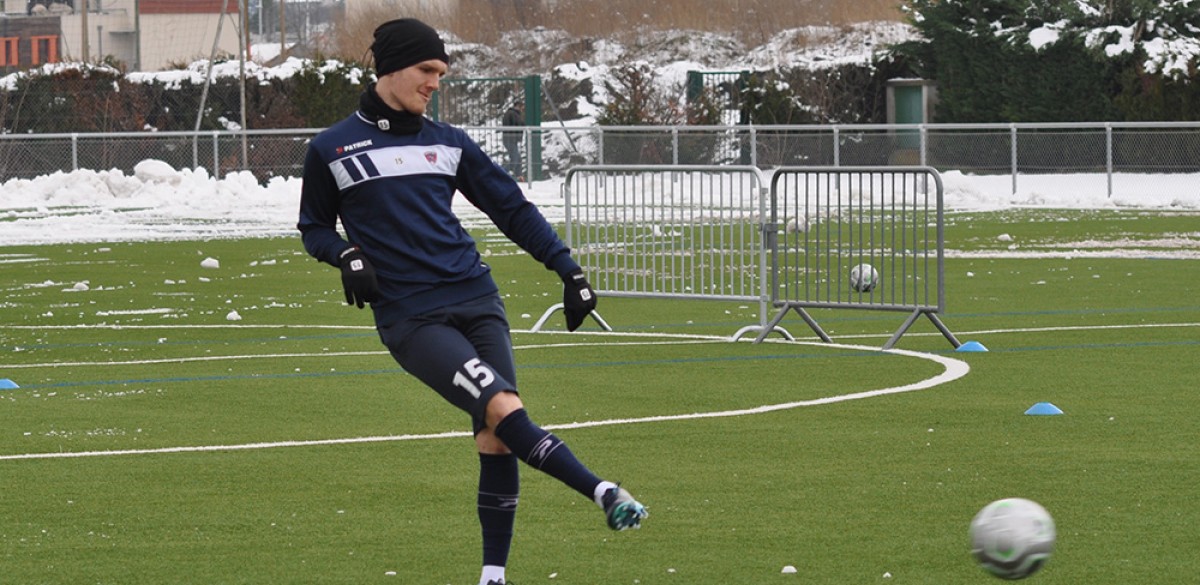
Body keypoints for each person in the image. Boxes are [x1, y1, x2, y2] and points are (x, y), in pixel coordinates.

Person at [296, 17, 647, 585]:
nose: (435, 83)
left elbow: (511, 208)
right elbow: (313, 227)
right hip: (411, 317)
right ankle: (603, 491)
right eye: (426, 70)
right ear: (391, 68)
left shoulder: (449, 141)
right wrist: (345, 254)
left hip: (477, 299)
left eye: (441, 72)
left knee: (496, 437)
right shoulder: (332, 147)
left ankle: (493, 575)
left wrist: (569, 269)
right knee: (503, 408)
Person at [501, 100, 524, 180]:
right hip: (510, 139)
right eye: (522, 108)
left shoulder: (514, 114)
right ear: (518, 106)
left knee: (518, 158)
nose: (522, 110)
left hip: (512, 139)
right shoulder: (512, 114)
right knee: (515, 158)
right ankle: (501, 173)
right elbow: (516, 124)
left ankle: (519, 175)